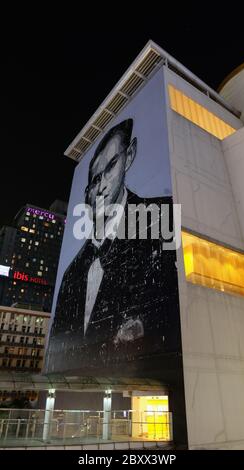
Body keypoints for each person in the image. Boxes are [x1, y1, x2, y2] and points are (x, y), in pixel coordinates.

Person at [45, 119, 180, 377]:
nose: (103, 185)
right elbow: (55, 352)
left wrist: (144, 326)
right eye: (95, 179)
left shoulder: (163, 216)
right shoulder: (70, 275)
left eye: (111, 166)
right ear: (86, 194)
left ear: (129, 156)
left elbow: (178, 305)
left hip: (147, 380)